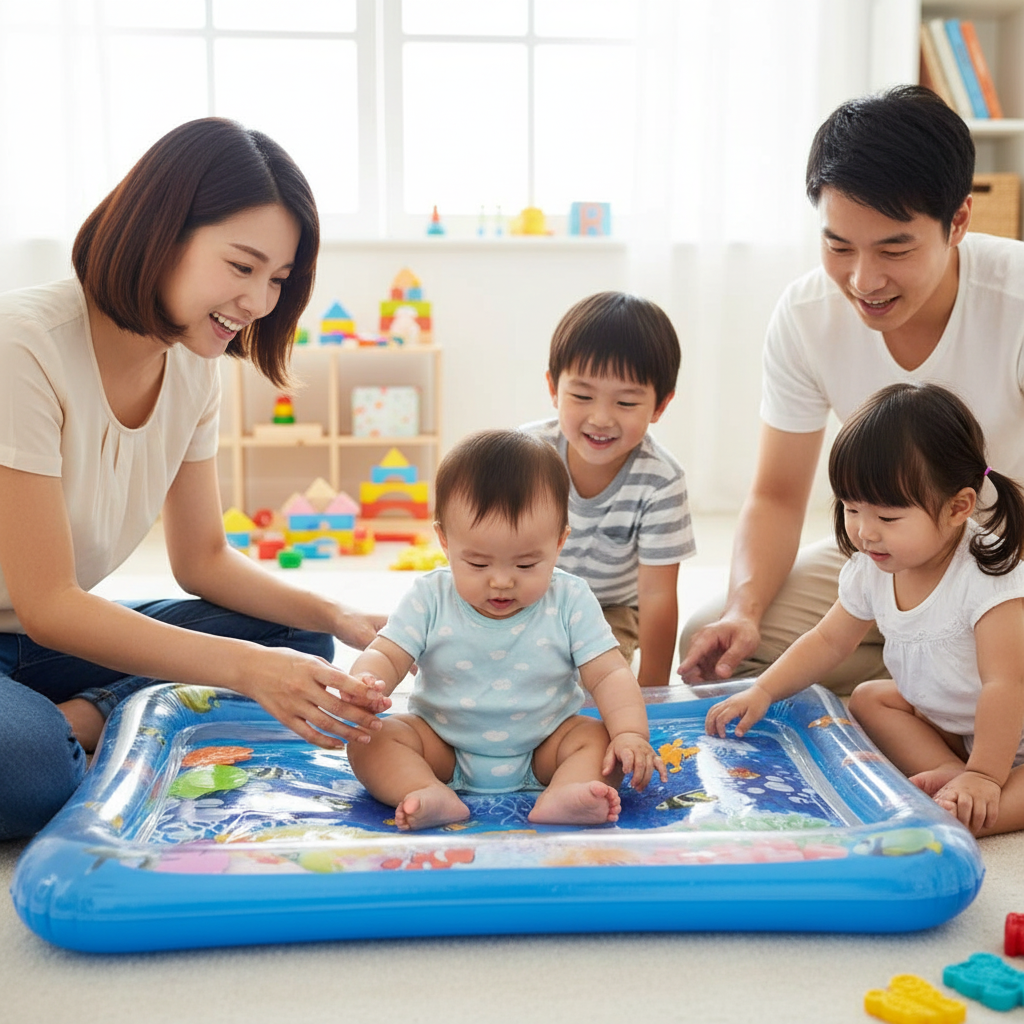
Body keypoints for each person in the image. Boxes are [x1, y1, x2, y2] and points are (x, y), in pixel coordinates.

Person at [0, 118, 391, 841]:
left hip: (39, 646)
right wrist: (245, 673)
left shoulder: (194, 365)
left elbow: (202, 559)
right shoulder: (22, 345)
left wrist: (336, 613)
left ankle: (87, 720)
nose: (259, 302)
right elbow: (49, 601)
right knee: (26, 769)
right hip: (39, 623)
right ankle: (85, 730)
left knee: (297, 644)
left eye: (277, 279)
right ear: (162, 232)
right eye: (241, 267)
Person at [679, 84, 1024, 693]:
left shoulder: (1015, 300)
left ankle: (937, 695)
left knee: (990, 670)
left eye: (895, 248)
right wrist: (745, 607)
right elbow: (779, 496)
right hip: (888, 556)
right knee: (720, 650)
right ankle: (921, 692)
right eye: (838, 246)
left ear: (959, 221)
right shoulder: (807, 314)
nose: (864, 280)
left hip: (1010, 559)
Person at [705, 383, 1024, 838]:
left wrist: (987, 775)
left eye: (887, 518)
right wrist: (763, 690)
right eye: (852, 509)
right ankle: (948, 772)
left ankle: (971, 797)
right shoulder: (875, 566)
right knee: (871, 699)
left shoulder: (990, 576)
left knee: (989, 798)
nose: (864, 532)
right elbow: (828, 640)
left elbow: (1004, 684)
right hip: (955, 722)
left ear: (958, 507)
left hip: (1012, 725)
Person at [345, 429, 667, 831]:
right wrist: (366, 683)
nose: (501, 581)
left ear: (559, 542)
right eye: (478, 564)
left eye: (526, 565)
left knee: (601, 742)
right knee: (371, 740)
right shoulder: (430, 595)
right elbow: (387, 653)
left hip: (545, 747)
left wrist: (631, 733)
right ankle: (425, 790)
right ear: (444, 541)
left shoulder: (569, 598)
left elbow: (609, 673)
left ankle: (567, 793)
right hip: (441, 747)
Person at [522, 291, 694, 687]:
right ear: (553, 388)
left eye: (626, 403)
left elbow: (656, 598)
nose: (600, 418)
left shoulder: (661, 480)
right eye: (582, 396)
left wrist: (651, 691)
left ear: (660, 406)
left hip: (608, 609)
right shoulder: (526, 454)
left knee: (595, 682)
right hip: (523, 595)